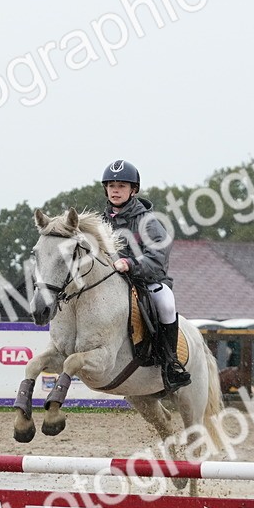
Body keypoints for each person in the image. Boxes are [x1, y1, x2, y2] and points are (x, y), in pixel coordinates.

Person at [100, 159, 190, 392]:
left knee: (167, 305)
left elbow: (158, 259)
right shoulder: (100, 222)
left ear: (133, 190)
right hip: (110, 285)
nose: (116, 190)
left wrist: (129, 263)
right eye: (111, 186)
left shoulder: (148, 222)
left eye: (121, 185)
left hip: (147, 282)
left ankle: (171, 364)